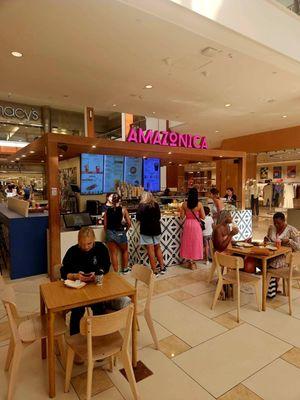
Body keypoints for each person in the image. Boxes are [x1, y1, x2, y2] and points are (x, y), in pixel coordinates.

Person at [60, 227, 130, 336]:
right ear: (78, 241)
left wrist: (97, 274)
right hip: (78, 290)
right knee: (77, 310)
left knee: (99, 306)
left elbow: (106, 266)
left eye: (89, 243)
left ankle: (100, 333)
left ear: (94, 239)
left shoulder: (100, 248)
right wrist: (75, 276)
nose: (86, 247)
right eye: (82, 244)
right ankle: (75, 337)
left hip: (96, 287)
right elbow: (63, 270)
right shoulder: (73, 251)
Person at [136, 191, 166, 275]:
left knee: (150, 250)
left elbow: (138, 217)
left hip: (146, 230)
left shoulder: (142, 206)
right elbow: (159, 217)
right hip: (156, 229)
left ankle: (154, 270)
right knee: (157, 247)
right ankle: (162, 267)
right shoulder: (156, 205)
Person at [104, 193, 131, 274]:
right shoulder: (123, 210)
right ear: (120, 200)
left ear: (112, 201)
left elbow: (105, 225)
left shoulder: (107, 211)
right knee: (125, 251)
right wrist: (125, 231)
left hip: (110, 233)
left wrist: (108, 233)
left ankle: (116, 272)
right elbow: (129, 223)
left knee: (113, 253)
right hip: (120, 232)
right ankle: (125, 269)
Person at [180, 187, 205, 269]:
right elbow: (203, 217)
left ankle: (189, 261)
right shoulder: (199, 204)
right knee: (195, 243)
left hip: (187, 224)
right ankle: (193, 262)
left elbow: (182, 216)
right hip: (196, 225)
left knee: (187, 242)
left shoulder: (184, 204)